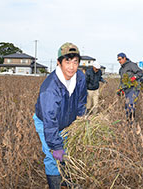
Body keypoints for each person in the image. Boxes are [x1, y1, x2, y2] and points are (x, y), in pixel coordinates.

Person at [33, 42, 87, 188]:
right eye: (67, 61)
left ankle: (67, 181)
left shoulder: (80, 77)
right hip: (46, 123)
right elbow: (50, 121)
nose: (71, 66)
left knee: (66, 153)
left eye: (75, 62)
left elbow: (81, 100)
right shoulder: (50, 89)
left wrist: (81, 119)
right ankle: (55, 185)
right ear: (59, 62)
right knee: (53, 156)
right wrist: (56, 145)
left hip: (66, 122)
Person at [117, 52, 143, 123]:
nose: (119, 61)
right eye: (118, 60)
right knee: (126, 105)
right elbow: (122, 80)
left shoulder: (131, 65)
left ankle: (132, 121)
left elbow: (140, 72)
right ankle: (128, 120)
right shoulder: (121, 69)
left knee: (130, 104)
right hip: (126, 88)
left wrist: (134, 77)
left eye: (120, 59)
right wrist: (120, 89)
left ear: (124, 58)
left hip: (133, 87)